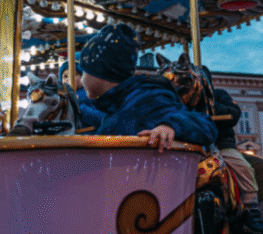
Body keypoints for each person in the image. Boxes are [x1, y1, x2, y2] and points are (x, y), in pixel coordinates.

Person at [78, 24, 217, 147]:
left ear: (102, 72)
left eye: (84, 72)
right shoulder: (115, 107)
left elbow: (205, 124)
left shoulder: (145, 98)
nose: (82, 80)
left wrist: (168, 126)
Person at [205, 68, 263, 234]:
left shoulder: (219, 95)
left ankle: (251, 208)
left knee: (244, 167)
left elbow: (233, 114)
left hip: (221, 144)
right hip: (195, 144)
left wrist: (208, 103)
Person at [59, 57, 103, 131]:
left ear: (84, 76)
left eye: (74, 75)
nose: (68, 79)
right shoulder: (63, 97)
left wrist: (78, 108)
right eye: (65, 76)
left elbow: (100, 117)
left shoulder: (90, 94)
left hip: (88, 134)